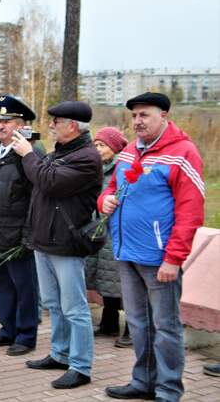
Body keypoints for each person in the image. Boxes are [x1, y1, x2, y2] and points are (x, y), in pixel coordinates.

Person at [101, 93, 205, 402]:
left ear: (163, 116)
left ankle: (168, 388)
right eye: (134, 116)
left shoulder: (183, 152)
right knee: (137, 323)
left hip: (159, 258)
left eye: (144, 115)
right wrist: (103, 200)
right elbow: (111, 188)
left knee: (166, 326)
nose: (137, 122)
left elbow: (191, 212)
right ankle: (142, 381)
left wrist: (173, 258)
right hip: (126, 252)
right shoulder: (130, 151)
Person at [12, 100, 102, 389]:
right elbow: (41, 185)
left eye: (56, 121)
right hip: (45, 240)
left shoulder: (87, 157)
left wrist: (28, 154)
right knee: (54, 304)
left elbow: (48, 182)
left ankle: (81, 365)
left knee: (75, 307)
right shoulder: (61, 153)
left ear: (72, 125)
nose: (50, 126)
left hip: (67, 242)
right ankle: (60, 353)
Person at [0, 94, 40, 356]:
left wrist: (28, 233)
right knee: (1, 285)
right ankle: (7, 329)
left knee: (24, 288)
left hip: (17, 233)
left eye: (9, 121)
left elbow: (35, 197)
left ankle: (26, 335)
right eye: (0, 120)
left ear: (22, 124)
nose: (1, 126)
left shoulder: (29, 153)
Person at [86, 126, 132, 348]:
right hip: (100, 230)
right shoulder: (99, 168)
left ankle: (131, 330)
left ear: (114, 148)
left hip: (117, 231)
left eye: (102, 145)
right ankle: (109, 322)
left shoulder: (122, 169)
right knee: (107, 281)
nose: (97, 149)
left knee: (122, 283)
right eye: (95, 144)